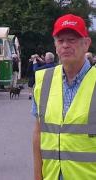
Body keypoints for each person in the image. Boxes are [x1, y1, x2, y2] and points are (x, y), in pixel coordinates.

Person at [33, 14, 95, 180]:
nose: (66, 45)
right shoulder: (43, 81)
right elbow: (38, 134)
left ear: (86, 44)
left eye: (72, 39)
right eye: (61, 41)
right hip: (52, 176)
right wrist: (38, 175)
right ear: (55, 46)